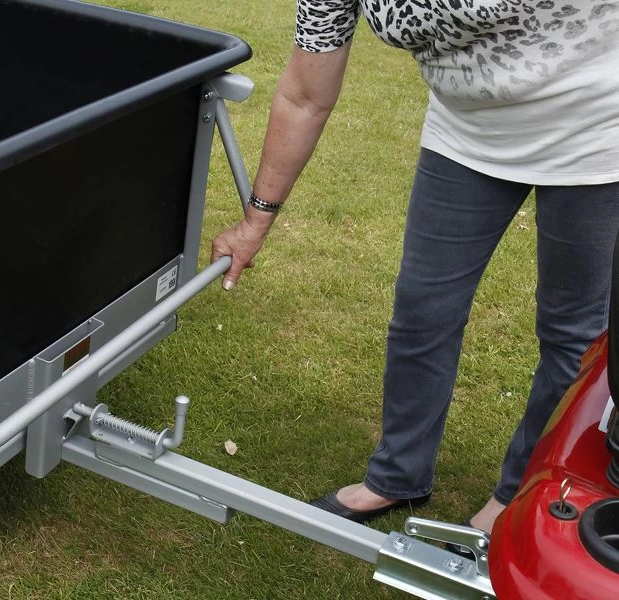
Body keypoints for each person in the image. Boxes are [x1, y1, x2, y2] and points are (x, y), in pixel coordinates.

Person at [211, 0, 619, 536]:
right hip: (465, 130)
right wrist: (256, 219)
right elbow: (305, 94)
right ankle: (398, 474)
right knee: (423, 313)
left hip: (595, 130)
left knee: (572, 335)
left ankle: (519, 495)